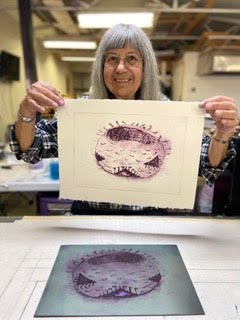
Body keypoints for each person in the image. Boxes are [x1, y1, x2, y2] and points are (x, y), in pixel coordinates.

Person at [9, 23, 238, 215]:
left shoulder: (165, 111)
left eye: (131, 59)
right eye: (112, 59)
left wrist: (222, 134)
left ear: (145, 66)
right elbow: (33, 148)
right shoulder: (83, 111)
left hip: (150, 220)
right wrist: (26, 113)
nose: (120, 68)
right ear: (101, 67)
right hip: (87, 219)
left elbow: (205, 164)